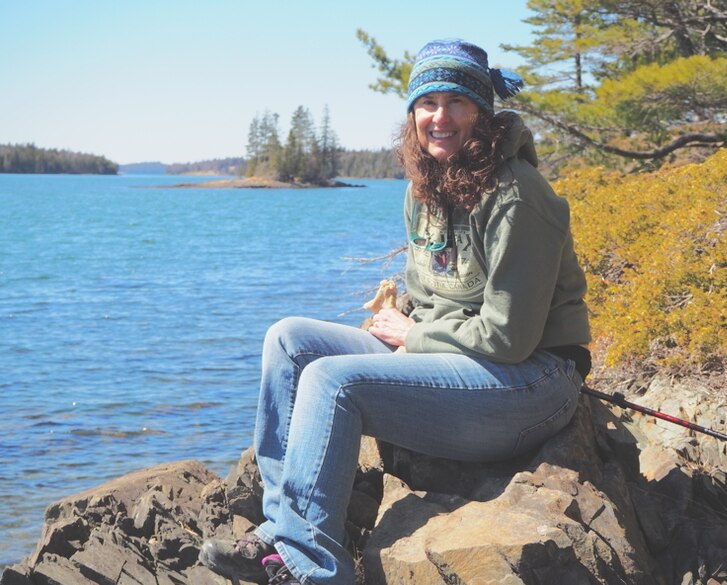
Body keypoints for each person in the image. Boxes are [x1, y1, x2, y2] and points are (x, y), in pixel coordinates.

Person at [199, 38, 591, 585]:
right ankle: (282, 525)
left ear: (482, 112)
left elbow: (510, 336)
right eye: (427, 104)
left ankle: (311, 568)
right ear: (412, 115)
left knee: (335, 382)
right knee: (288, 340)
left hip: (534, 381)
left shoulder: (517, 197)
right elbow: (428, 297)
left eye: (457, 102)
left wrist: (416, 336)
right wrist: (408, 332)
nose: (440, 117)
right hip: (461, 360)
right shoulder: (423, 191)